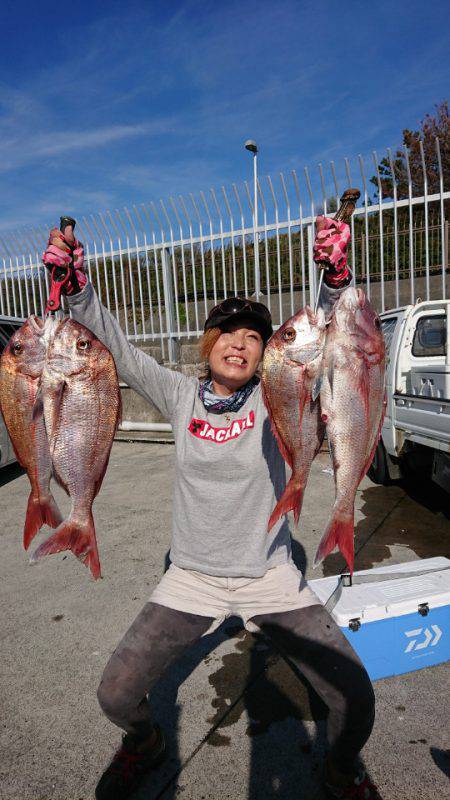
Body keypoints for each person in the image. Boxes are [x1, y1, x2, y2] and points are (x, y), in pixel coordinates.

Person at [43, 215, 381, 800]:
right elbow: (119, 352)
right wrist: (77, 291)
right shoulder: (181, 395)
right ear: (208, 344)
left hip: (270, 577)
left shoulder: (279, 393)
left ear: (266, 353)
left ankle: (339, 768)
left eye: (253, 336)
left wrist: (335, 280)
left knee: (357, 700)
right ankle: (146, 742)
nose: (239, 343)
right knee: (115, 695)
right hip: (192, 578)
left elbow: (333, 339)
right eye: (227, 332)